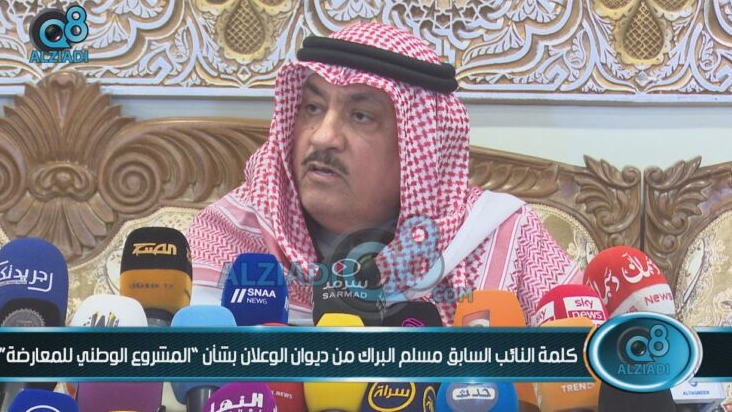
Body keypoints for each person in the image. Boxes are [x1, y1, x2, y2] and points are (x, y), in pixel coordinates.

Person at [186, 22, 581, 326]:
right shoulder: (230, 234)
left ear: (419, 147)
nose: (322, 137)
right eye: (313, 108)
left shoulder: (501, 238)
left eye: (361, 116)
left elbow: (584, 369)